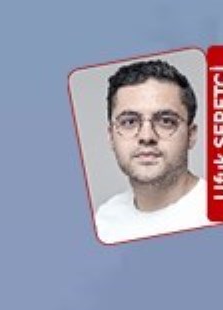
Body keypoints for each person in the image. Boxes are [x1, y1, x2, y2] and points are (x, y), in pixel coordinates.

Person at [91, 58, 212, 244]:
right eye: (129, 122)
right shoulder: (103, 222)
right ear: (111, 137)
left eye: (166, 121)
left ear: (191, 135)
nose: (146, 136)